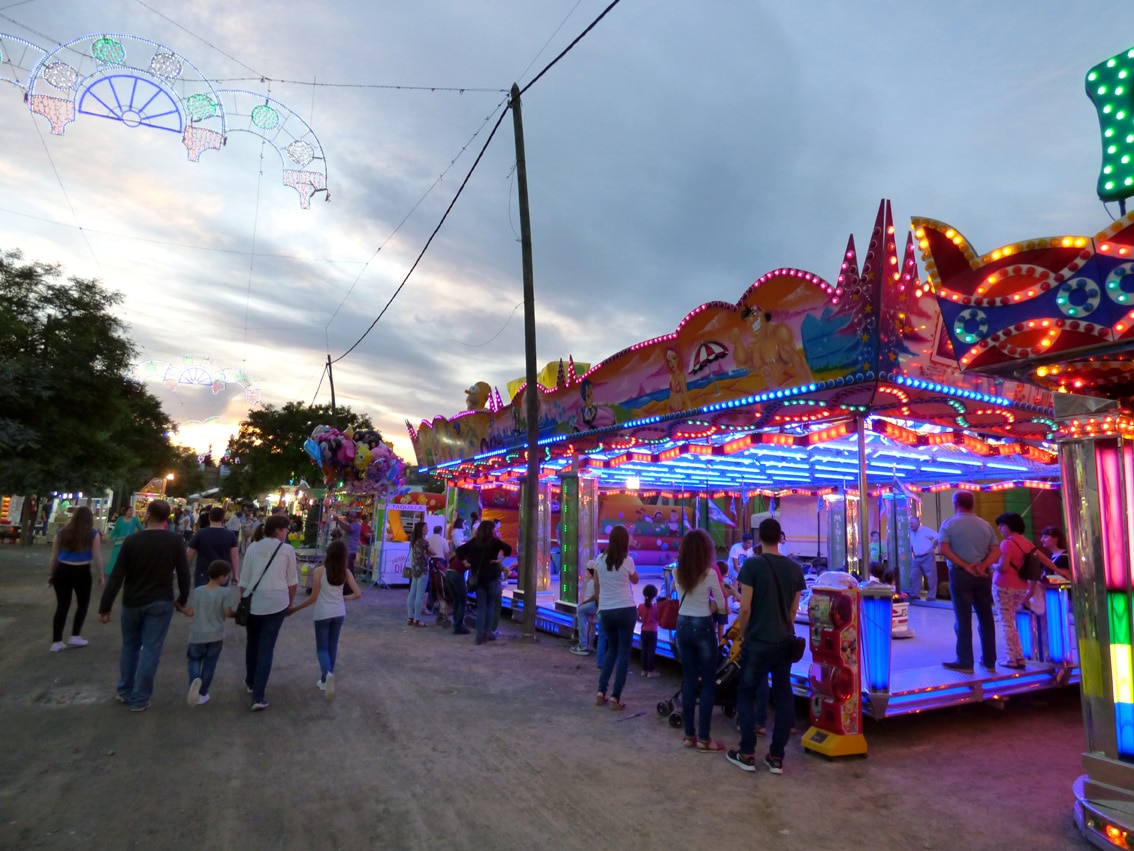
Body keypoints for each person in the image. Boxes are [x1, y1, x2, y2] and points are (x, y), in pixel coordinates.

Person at [728, 517, 805, 775]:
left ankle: (747, 753)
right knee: (783, 696)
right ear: (780, 538)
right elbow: (795, 609)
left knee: (747, 692)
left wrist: (744, 632)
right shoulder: (795, 569)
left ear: (759, 538)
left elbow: (746, 607)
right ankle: (776, 757)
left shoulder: (752, 565)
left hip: (758, 640)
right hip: (783, 641)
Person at [97, 500, 190, 712]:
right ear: (167, 518)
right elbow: (184, 574)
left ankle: (125, 690)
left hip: (133, 601)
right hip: (160, 600)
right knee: (151, 649)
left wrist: (105, 606)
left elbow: (117, 576)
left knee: (130, 646)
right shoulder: (174, 541)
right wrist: (182, 599)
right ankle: (140, 698)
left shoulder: (132, 541)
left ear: (147, 515)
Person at [675, 529, 730, 751]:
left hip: (682, 625)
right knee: (707, 683)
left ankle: (689, 735)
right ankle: (705, 738)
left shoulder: (678, 572)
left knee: (689, 680)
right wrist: (713, 607)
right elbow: (722, 603)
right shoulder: (709, 573)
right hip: (703, 626)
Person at [287, 539, 362, 701]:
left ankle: (326, 675)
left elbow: (314, 597)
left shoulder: (319, 571)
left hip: (322, 613)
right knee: (332, 645)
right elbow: (358, 594)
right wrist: (343, 598)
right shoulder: (346, 572)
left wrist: (295, 609)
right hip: (339, 612)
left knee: (322, 648)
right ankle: (326, 677)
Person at [239, 514, 299, 712]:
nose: (288, 532)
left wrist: (245, 600)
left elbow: (244, 580)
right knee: (266, 647)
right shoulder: (287, 550)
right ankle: (259, 695)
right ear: (277, 530)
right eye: (286, 529)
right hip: (276, 602)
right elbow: (292, 582)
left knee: (253, 642)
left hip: (254, 601)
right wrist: (289, 604)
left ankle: (250, 681)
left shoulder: (253, 547)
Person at [937, 490, 1000, 674]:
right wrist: (982, 566)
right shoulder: (985, 525)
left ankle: (965, 661)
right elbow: (996, 551)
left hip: (960, 575)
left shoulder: (949, 524)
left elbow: (944, 550)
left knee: (963, 619)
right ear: (972, 504)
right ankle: (989, 661)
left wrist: (965, 566)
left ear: (956, 504)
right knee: (986, 618)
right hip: (982, 576)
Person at [992, 513, 1057, 670]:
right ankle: (1019, 656)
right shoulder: (1027, 542)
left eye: (1001, 525)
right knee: (1011, 622)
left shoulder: (1007, 544)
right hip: (1021, 587)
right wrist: (1059, 570)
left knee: (1006, 622)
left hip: (1003, 585)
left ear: (1009, 525)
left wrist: (991, 565)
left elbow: (1003, 567)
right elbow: (1044, 559)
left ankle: (1011, 658)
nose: (1000, 529)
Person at [594, 525, 639, 710]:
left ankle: (600, 691)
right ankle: (615, 697)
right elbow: (635, 580)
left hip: (607, 610)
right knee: (623, 653)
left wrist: (600, 606)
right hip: (626, 609)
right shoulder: (627, 560)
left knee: (611, 650)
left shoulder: (599, 559)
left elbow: (596, 584)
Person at [181, 559, 237, 707]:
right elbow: (227, 612)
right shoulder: (225, 592)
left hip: (197, 634)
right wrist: (238, 614)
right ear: (221, 577)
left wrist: (180, 607)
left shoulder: (199, 591)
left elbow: (191, 612)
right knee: (210, 664)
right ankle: (202, 693)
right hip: (216, 635)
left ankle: (194, 680)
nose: (227, 578)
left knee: (193, 660)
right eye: (226, 576)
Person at [50, 506, 105, 652]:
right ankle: (75, 635)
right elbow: (97, 556)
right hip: (82, 571)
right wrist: (101, 574)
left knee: (62, 605)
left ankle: (57, 641)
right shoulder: (93, 534)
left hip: (62, 570)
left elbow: (54, 556)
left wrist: (51, 573)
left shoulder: (61, 533)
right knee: (82, 604)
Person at [456, 520, 512, 645]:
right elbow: (508, 549)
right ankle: (487, 633)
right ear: (491, 530)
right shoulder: (494, 541)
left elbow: (459, 550)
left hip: (479, 578)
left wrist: (466, 563)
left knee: (481, 607)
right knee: (490, 605)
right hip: (492, 576)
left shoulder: (474, 541)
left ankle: (479, 635)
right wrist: (499, 560)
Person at [186, 506, 240, 587]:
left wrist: (186, 572)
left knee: (202, 597)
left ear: (209, 518)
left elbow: (189, 555)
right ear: (223, 519)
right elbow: (234, 556)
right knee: (220, 598)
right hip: (222, 574)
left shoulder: (200, 533)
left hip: (203, 572)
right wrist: (235, 575)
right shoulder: (230, 535)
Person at [406, 521, 437, 627]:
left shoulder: (414, 541)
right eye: (426, 528)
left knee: (412, 593)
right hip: (423, 569)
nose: (427, 529)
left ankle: (410, 617)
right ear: (421, 530)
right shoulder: (424, 542)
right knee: (420, 595)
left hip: (414, 568)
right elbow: (434, 552)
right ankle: (417, 619)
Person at [908, 514, 939, 601]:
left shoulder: (926, 530)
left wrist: (933, 548)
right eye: (910, 523)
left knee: (931, 577)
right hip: (916, 557)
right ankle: (915, 594)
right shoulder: (910, 532)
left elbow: (938, 537)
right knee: (914, 576)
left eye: (913, 523)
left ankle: (932, 596)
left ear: (918, 523)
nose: (911, 525)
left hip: (927, 556)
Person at [105, 506, 143, 577]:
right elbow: (115, 530)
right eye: (129, 511)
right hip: (119, 541)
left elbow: (141, 528)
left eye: (132, 511)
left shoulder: (135, 520)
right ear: (125, 512)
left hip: (130, 541)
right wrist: (110, 539)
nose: (131, 512)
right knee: (116, 556)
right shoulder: (120, 519)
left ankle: (128, 572)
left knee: (129, 557)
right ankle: (112, 571)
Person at [571, 564, 597, 655]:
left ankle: (583, 644)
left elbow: (595, 596)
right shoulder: (592, 581)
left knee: (580, 611)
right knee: (592, 624)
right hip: (593, 605)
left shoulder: (594, 581)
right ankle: (589, 645)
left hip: (593, 604)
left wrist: (584, 603)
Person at [637, 583, 660, 678]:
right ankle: (650, 671)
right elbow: (659, 618)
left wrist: (643, 620)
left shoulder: (641, 606)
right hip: (653, 631)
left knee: (644, 650)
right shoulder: (656, 607)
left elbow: (638, 618)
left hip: (644, 630)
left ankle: (644, 670)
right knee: (651, 651)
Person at [336, 509, 363, 577]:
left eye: (348, 516)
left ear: (353, 517)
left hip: (350, 551)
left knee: (349, 569)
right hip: (346, 550)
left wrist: (338, 521)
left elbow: (348, 528)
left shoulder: (355, 525)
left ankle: (351, 583)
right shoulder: (350, 524)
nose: (347, 518)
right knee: (346, 568)